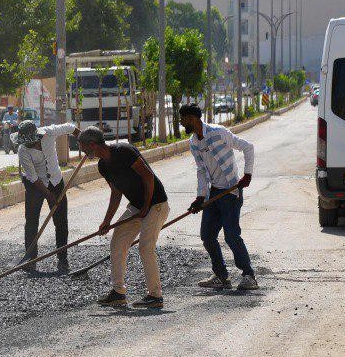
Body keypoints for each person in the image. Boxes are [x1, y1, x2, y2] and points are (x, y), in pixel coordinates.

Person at [76, 127, 170, 309]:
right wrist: (107, 221)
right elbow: (116, 193)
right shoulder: (103, 165)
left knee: (145, 247)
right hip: (136, 207)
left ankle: (155, 295)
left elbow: (148, 176)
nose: (81, 151)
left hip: (156, 204)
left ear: (92, 144)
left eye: (82, 146)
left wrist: (145, 207)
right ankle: (118, 293)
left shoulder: (124, 151)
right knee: (118, 242)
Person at [178, 104, 258, 290]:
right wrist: (200, 197)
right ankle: (221, 276)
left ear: (193, 118)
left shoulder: (219, 133)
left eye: (183, 119)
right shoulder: (194, 143)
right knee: (207, 236)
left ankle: (249, 276)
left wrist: (247, 174)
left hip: (231, 190)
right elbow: (201, 171)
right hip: (214, 192)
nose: (181, 123)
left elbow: (248, 147)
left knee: (231, 236)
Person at [13, 119, 78, 272]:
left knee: (61, 222)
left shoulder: (49, 132)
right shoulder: (23, 150)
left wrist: (86, 142)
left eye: (31, 143)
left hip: (56, 181)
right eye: (26, 143)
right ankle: (31, 258)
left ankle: (62, 259)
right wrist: (49, 195)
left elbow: (71, 127)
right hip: (36, 186)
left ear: (37, 137)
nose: (29, 146)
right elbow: (34, 178)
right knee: (31, 221)